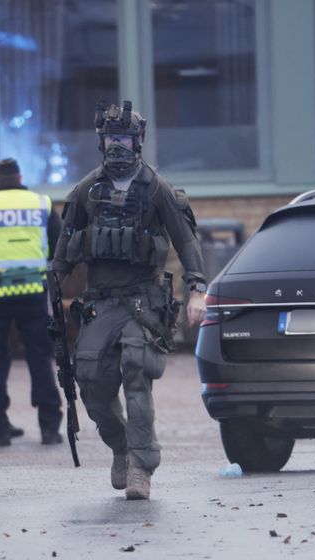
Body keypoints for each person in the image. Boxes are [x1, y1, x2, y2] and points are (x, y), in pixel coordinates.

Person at [51, 101, 206, 500]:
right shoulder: (88, 189)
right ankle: (121, 446)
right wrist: (51, 287)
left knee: (137, 375)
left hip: (143, 300)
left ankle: (141, 465)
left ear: (138, 141)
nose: (117, 146)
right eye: (110, 138)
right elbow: (65, 249)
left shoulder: (156, 188)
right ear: (101, 142)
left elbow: (187, 241)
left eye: (124, 138)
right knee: (91, 385)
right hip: (100, 301)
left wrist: (197, 289)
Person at [0, 158, 64, 447]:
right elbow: (59, 244)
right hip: (33, 290)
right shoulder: (40, 203)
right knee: (40, 357)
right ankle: (50, 426)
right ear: (21, 177)